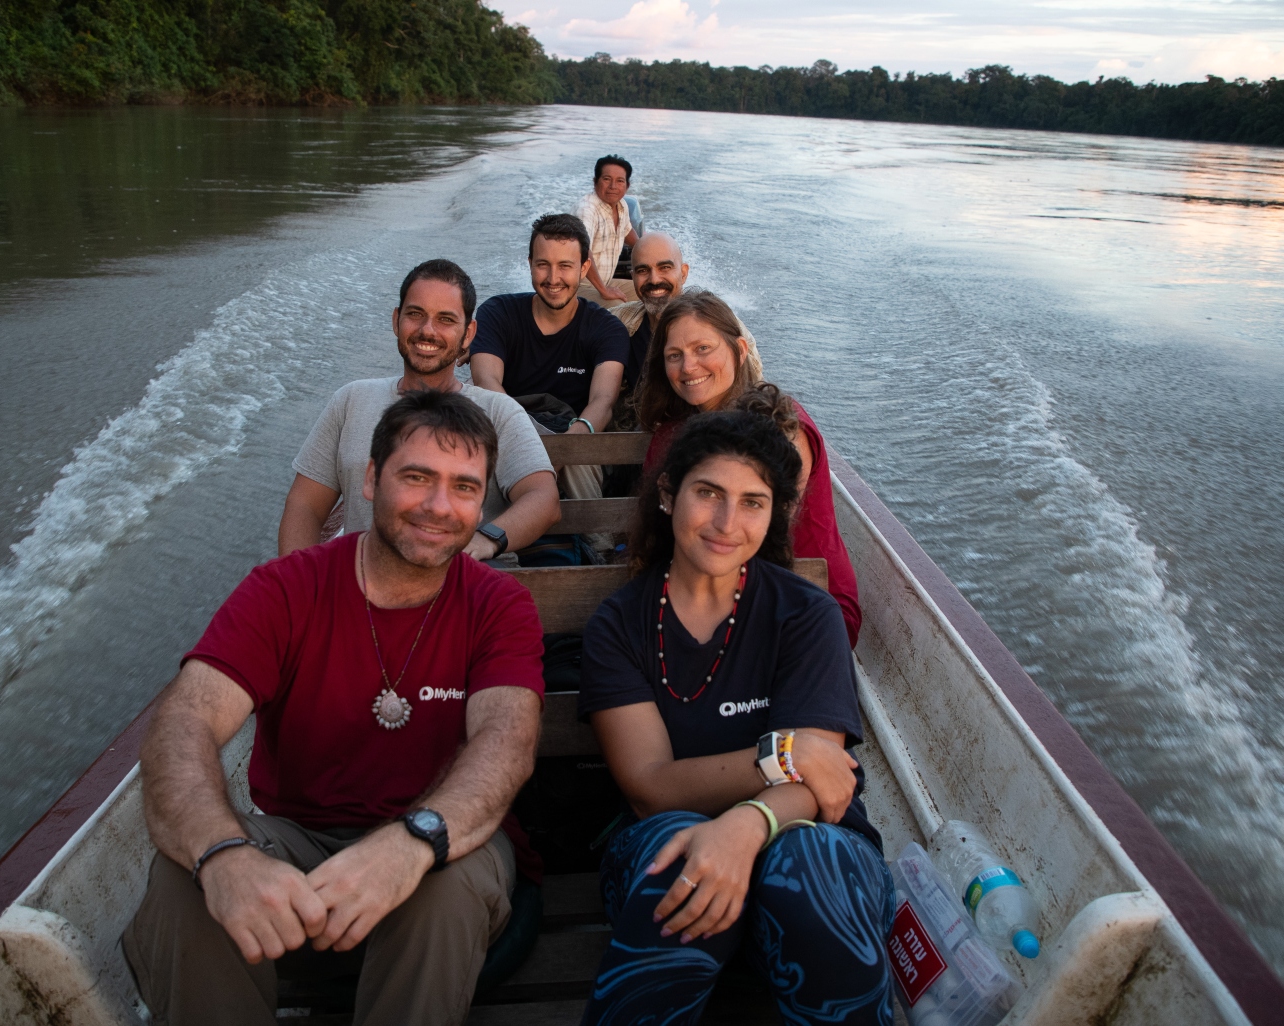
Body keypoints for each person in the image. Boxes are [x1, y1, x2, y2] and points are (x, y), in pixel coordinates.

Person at [124, 391, 546, 1026]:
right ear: (371, 479)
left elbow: (504, 744)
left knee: (445, 890)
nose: (439, 506)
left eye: (464, 487)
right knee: (185, 879)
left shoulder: (498, 606)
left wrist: (414, 841)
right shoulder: (285, 590)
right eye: (416, 477)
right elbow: (184, 721)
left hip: (446, 836)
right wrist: (222, 852)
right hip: (300, 835)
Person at [576, 411, 893, 1024]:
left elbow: (822, 785)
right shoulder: (621, 625)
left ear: (775, 514)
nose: (727, 523)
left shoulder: (805, 614)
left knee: (807, 867)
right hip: (665, 845)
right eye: (708, 493)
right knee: (679, 861)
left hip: (809, 845)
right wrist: (782, 757)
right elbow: (649, 789)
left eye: (753, 502)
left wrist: (747, 825)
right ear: (668, 495)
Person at [279, 259, 560, 563]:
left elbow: (543, 499)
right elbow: (305, 506)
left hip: (465, 590)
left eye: (445, 320)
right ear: (396, 320)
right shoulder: (351, 400)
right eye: (415, 314)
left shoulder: (497, 411)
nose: (428, 331)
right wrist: (300, 586)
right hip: (363, 589)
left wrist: (483, 541)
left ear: (468, 334)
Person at [635, 289, 862, 647]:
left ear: (740, 350)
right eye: (674, 355)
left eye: (703, 348)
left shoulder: (780, 426)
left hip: (805, 594)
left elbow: (765, 541)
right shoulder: (672, 434)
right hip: (700, 586)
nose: (688, 366)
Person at [471, 213, 632, 509]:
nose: (553, 278)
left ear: (584, 268)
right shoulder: (497, 313)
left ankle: (595, 545)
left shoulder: (606, 329)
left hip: (572, 432)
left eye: (565, 266)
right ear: (530, 263)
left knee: (580, 458)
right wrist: (527, 445)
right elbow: (486, 382)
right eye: (543, 264)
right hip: (507, 427)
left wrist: (563, 449)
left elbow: (602, 401)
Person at [609, 231, 764, 405]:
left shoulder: (726, 327)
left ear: (683, 273)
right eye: (643, 270)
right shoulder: (618, 322)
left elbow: (755, 388)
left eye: (665, 268)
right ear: (633, 277)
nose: (654, 279)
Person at [575, 155, 639, 307]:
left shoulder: (621, 205)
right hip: (577, 287)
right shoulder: (587, 210)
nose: (613, 186)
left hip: (606, 282)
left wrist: (654, 255)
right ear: (595, 182)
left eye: (620, 181)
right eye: (606, 179)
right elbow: (582, 250)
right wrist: (604, 290)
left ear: (627, 185)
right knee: (617, 306)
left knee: (653, 292)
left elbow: (629, 233)